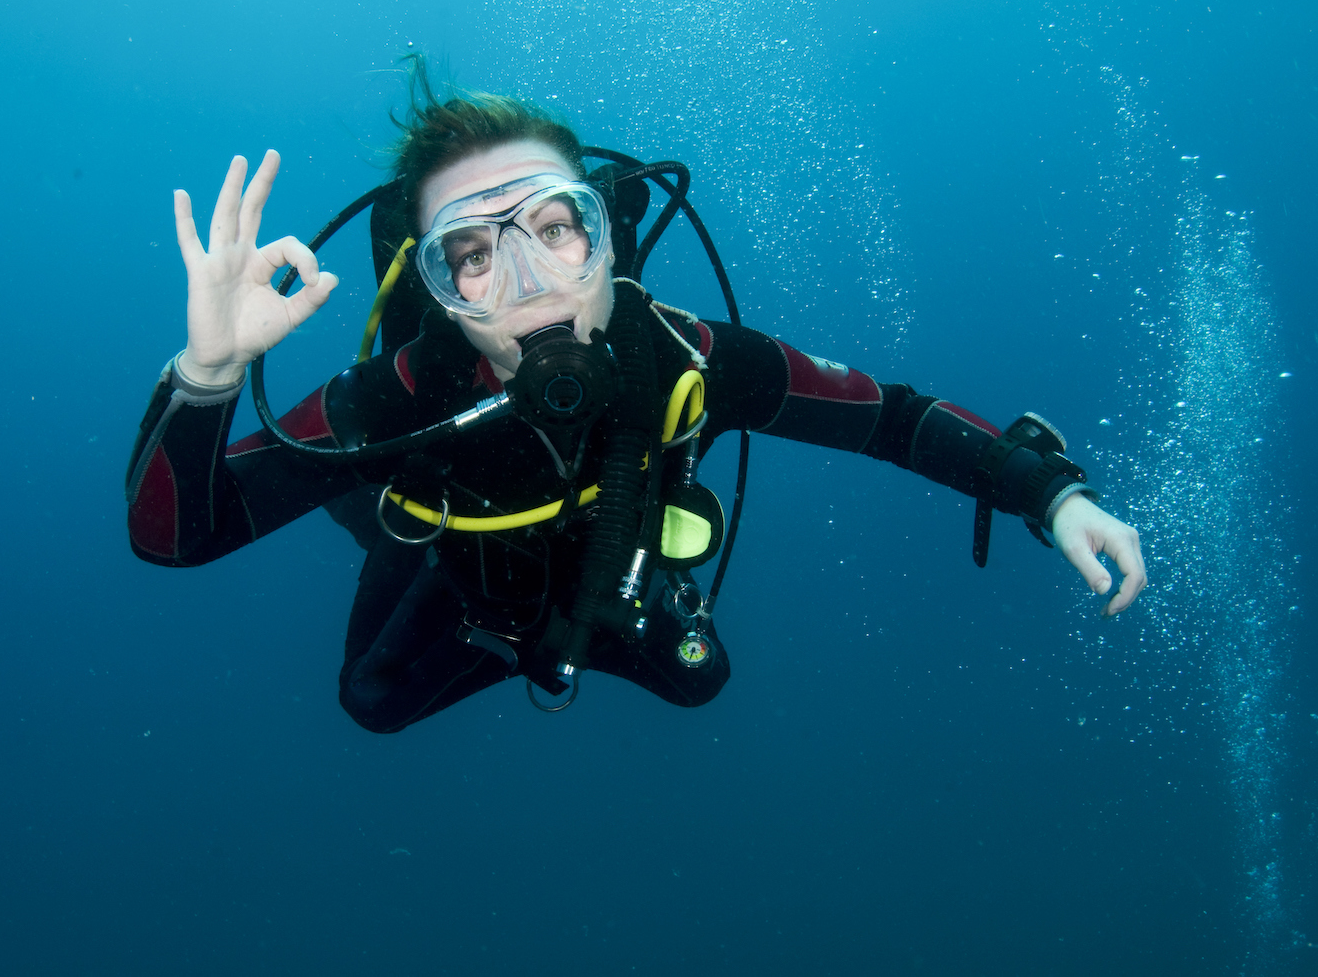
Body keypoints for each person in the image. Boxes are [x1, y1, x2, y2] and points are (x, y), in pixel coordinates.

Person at [125, 71, 1146, 733]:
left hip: (620, 577)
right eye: (471, 256)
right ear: (434, 289)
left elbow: (889, 415)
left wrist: (1048, 494)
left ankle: (589, 622)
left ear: (608, 233)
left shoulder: (686, 359)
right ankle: (379, 510)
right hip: (458, 569)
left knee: (702, 685)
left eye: (555, 227)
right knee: (371, 702)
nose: (526, 283)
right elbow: (177, 540)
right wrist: (206, 372)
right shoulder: (399, 394)